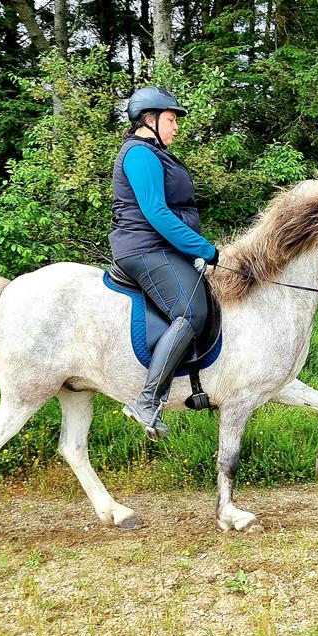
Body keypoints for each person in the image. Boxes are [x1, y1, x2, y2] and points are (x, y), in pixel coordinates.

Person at [110, 86, 219, 439]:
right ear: (149, 120)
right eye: (171, 119)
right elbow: (157, 213)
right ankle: (147, 400)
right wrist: (203, 248)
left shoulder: (156, 154)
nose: (175, 127)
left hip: (161, 249)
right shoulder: (139, 154)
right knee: (191, 312)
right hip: (144, 248)